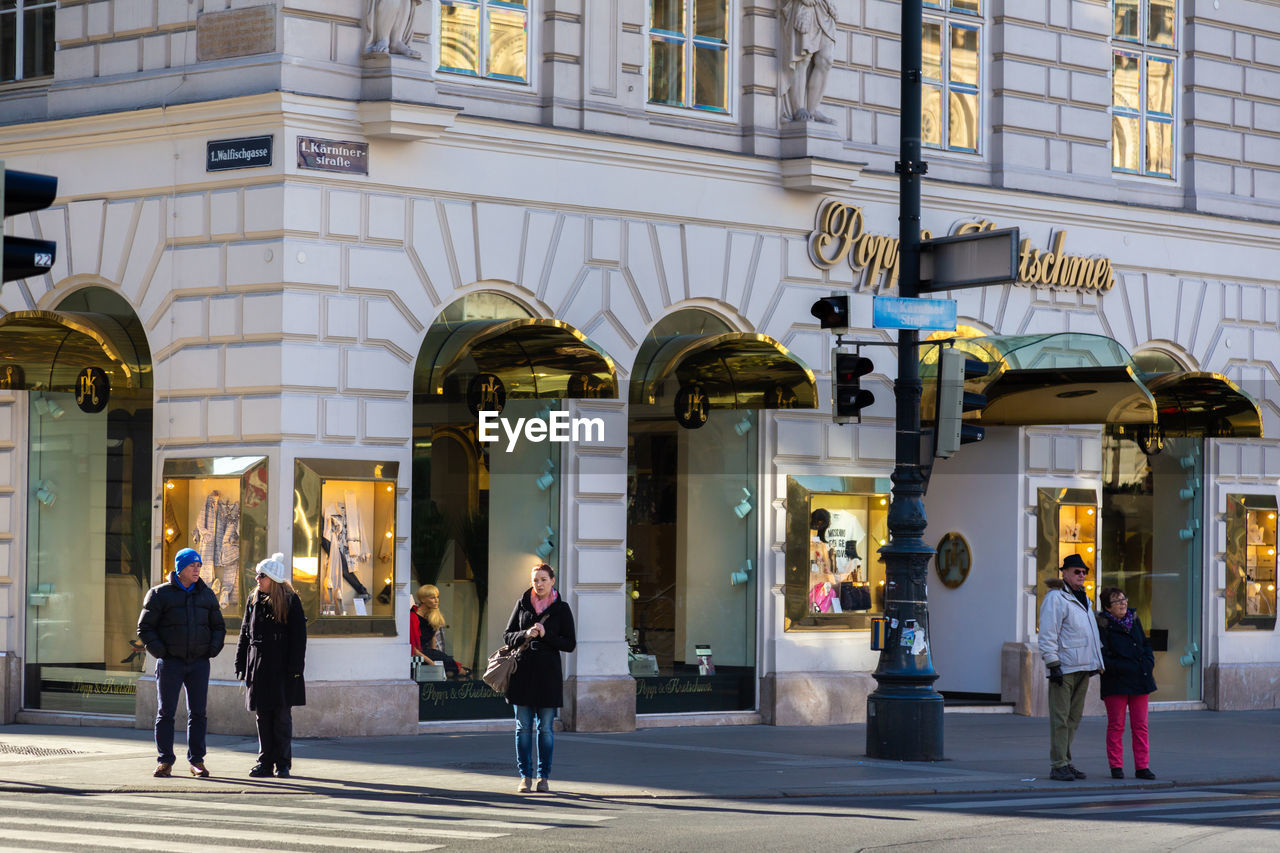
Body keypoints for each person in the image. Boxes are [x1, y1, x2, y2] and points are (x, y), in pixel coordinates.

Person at [137, 547, 226, 778]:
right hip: (171, 663)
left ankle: (197, 761)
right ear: (180, 569)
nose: (197, 569)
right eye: (191, 566)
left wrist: (212, 649)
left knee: (198, 713)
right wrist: (161, 652)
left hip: (198, 663)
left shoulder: (206, 594)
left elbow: (218, 626)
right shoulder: (159, 594)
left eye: (199, 565)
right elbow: (145, 627)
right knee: (165, 713)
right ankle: (164, 761)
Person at [503, 563, 576, 794]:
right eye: (535, 580)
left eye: (543, 579)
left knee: (545, 728)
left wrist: (547, 635)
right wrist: (525, 633)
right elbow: (507, 636)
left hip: (548, 676)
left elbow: (570, 644)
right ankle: (525, 776)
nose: (539, 584)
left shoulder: (561, 609)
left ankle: (543, 777)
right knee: (522, 728)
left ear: (552, 581)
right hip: (522, 674)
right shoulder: (522, 604)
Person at [235, 552, 307, 778]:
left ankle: (283, 763)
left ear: (273, 579)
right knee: (263, 716)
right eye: (257, 575)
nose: (257, 579)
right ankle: (265, 761)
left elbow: (299, 638)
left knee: (282, 717)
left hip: (282, 667)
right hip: (258, 665)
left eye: (262, 576)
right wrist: (240, 661)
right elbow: (245, 632)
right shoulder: (253, 599)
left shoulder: (290, 600)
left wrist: (295, 669)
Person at [1037, 553, 1104, 782]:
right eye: (1077, 571)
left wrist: (1096, 662)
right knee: (1061, 718)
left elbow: (1090, 634)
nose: (1082, 575)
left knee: (1074, 718)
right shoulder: (1056, 598)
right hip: (1064, 667)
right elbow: (1048, 633)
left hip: (1083, 666)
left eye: (1084, 572)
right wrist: (1052, 663)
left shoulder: (1085, 599)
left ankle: (1065, 760)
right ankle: (1058, 764)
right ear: (1064, 572)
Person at [1097, 586, 1157, 780]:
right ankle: (1116, 766)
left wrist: (1148, 662)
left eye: (1124, 599)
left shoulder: (1134, 620)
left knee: (1140, 726)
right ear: (1107, 607)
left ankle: (1142, 766)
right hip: (1116, 682)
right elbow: (1103, 655)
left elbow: (1145, 644)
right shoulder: (1103, 626)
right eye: (1117, 601)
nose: (1123, 603)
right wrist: (1121, 668)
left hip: (1140, 679)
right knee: (1116, 725)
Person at [780, 0, 838, 123]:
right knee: (803, 58)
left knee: (826, 59)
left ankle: (813, 109)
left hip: (824, 8)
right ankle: (798, 108)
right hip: (804, 7)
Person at [410, 584, 469, 678]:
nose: (436, 600)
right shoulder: (413, 617)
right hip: (415, 656)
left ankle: (458, 671)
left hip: (427, 653)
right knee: (450, 666)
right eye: (432, 598)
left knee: (446, 661)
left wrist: (435, 656)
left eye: (437, 597)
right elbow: (413, 649)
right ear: (423, 600)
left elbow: (432, 638)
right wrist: (433, 664)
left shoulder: (432, 616)